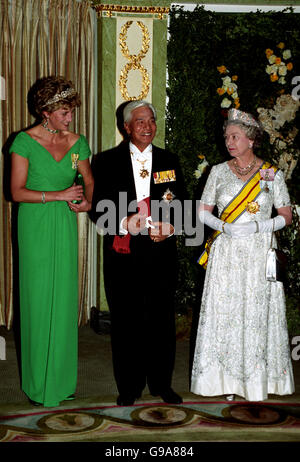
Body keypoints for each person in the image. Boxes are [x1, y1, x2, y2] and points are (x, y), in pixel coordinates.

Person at [191, 108, 294, 402]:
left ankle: (257, 381)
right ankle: (225, 380)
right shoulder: (218, 172)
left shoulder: (270, 173)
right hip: (226, 252)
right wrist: (224, 226)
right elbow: (202, 212)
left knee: (256, 313)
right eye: (227, 137)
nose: (229, 142)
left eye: (235, 136)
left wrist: (259, 227)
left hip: (260, 250)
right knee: (227, 311)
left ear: (251, 140)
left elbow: (286, 215)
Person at [91, 101, 185, 406]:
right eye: (140, 121)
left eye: (151, 120)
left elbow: (182, 203)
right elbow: (96, 207)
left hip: (160, 252)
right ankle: (129, 387)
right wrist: (122, 222)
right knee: (127, 321)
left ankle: (162, 384)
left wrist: (171, 227)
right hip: (124, 252)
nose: (147, 126)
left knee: (161, 320)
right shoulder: (104, 161)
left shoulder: (170, 160)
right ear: (126, 127)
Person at [10, 76, 94, 407]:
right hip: (35, 223)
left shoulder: (77, 142)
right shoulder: (24, 142)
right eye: (63, 112)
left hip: (63, 223)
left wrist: (87, 201)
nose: (69, 118)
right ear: (45, 111)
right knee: (37, 298)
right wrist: (58, 194)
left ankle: (61, 379)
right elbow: (16, 192)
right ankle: (36, 382)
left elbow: (88, 179)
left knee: (62, 299)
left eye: (71, 111)